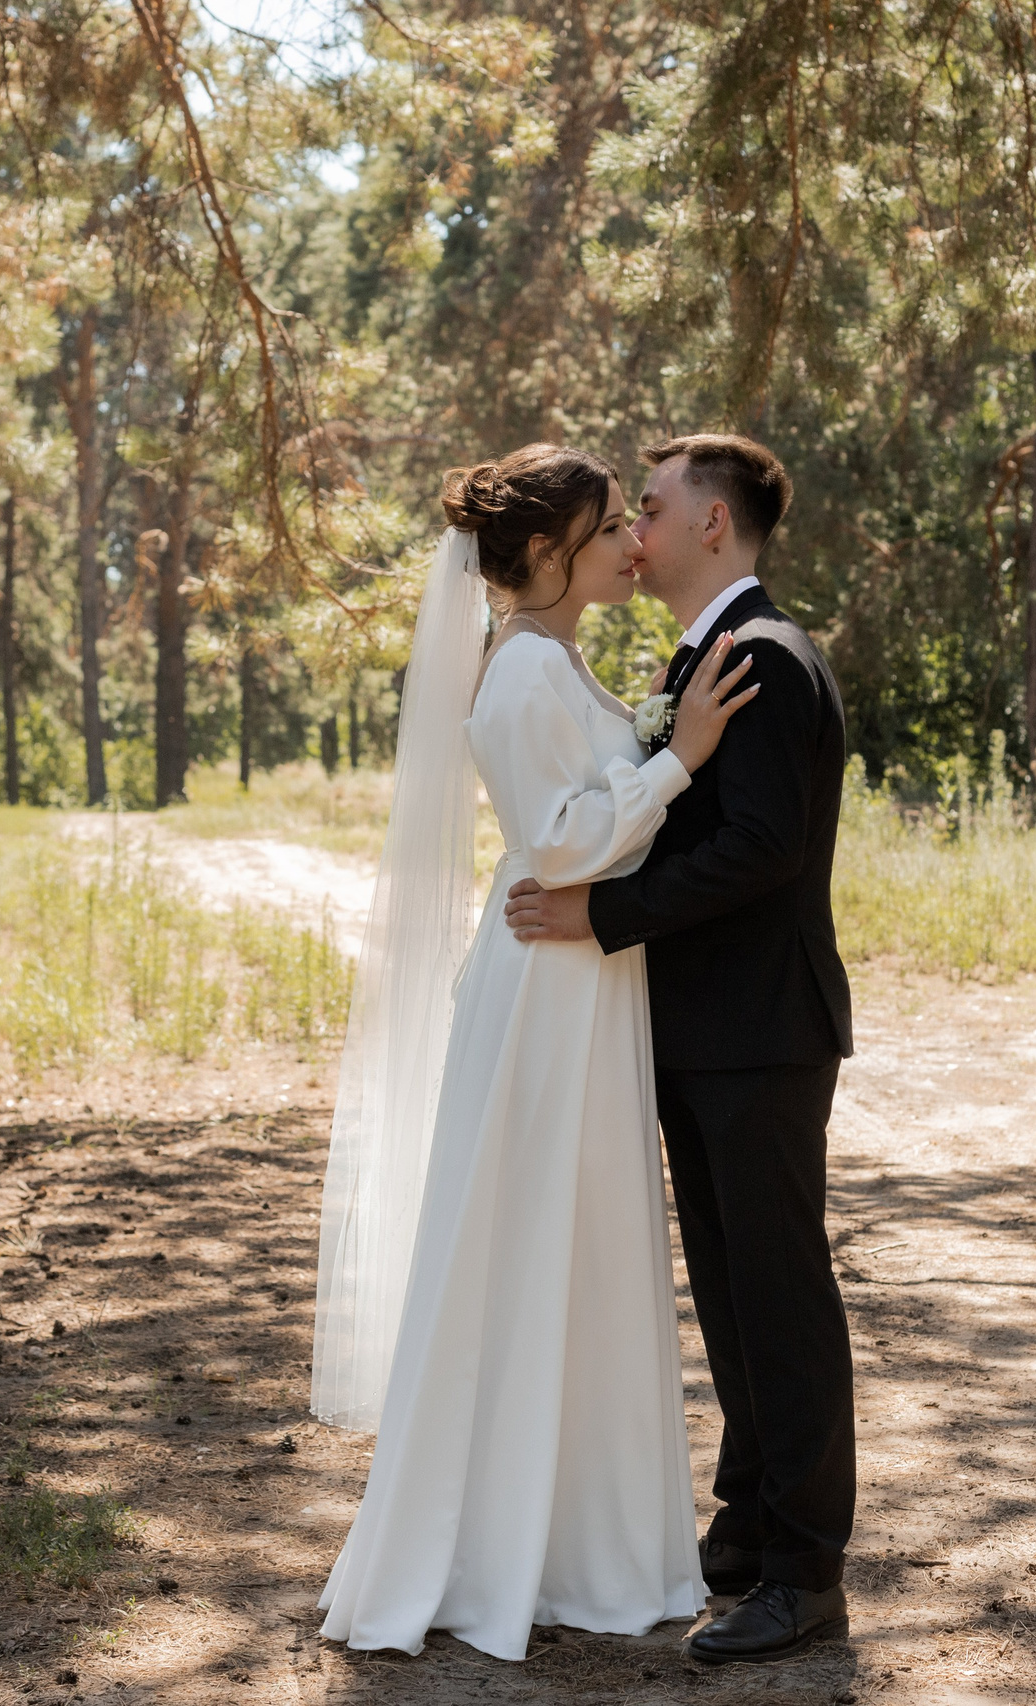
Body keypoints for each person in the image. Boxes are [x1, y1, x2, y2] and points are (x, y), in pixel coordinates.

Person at [311, 443, 759, 1661]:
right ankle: (490, 1543)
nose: (632, 540)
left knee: (585, 1249)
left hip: (587, 981)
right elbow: (559, 846)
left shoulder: (560, 661)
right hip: (546, 992)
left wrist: (664, 749)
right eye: (612, 522)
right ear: (552, 551)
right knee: (525, 1241)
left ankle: (581, 1540)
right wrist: (679, 758)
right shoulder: (515, 676)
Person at [504, 433, 856, 1664]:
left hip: (759, 1032)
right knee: (733, 1297)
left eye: (649, 509)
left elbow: (757, 846)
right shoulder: (704, 655)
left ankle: (805, 1572)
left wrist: (599, 916)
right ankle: (748, 1535)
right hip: (708, 1033)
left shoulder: (759, 655)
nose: (633, 530)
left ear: (715, 524)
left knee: (779, 1297)